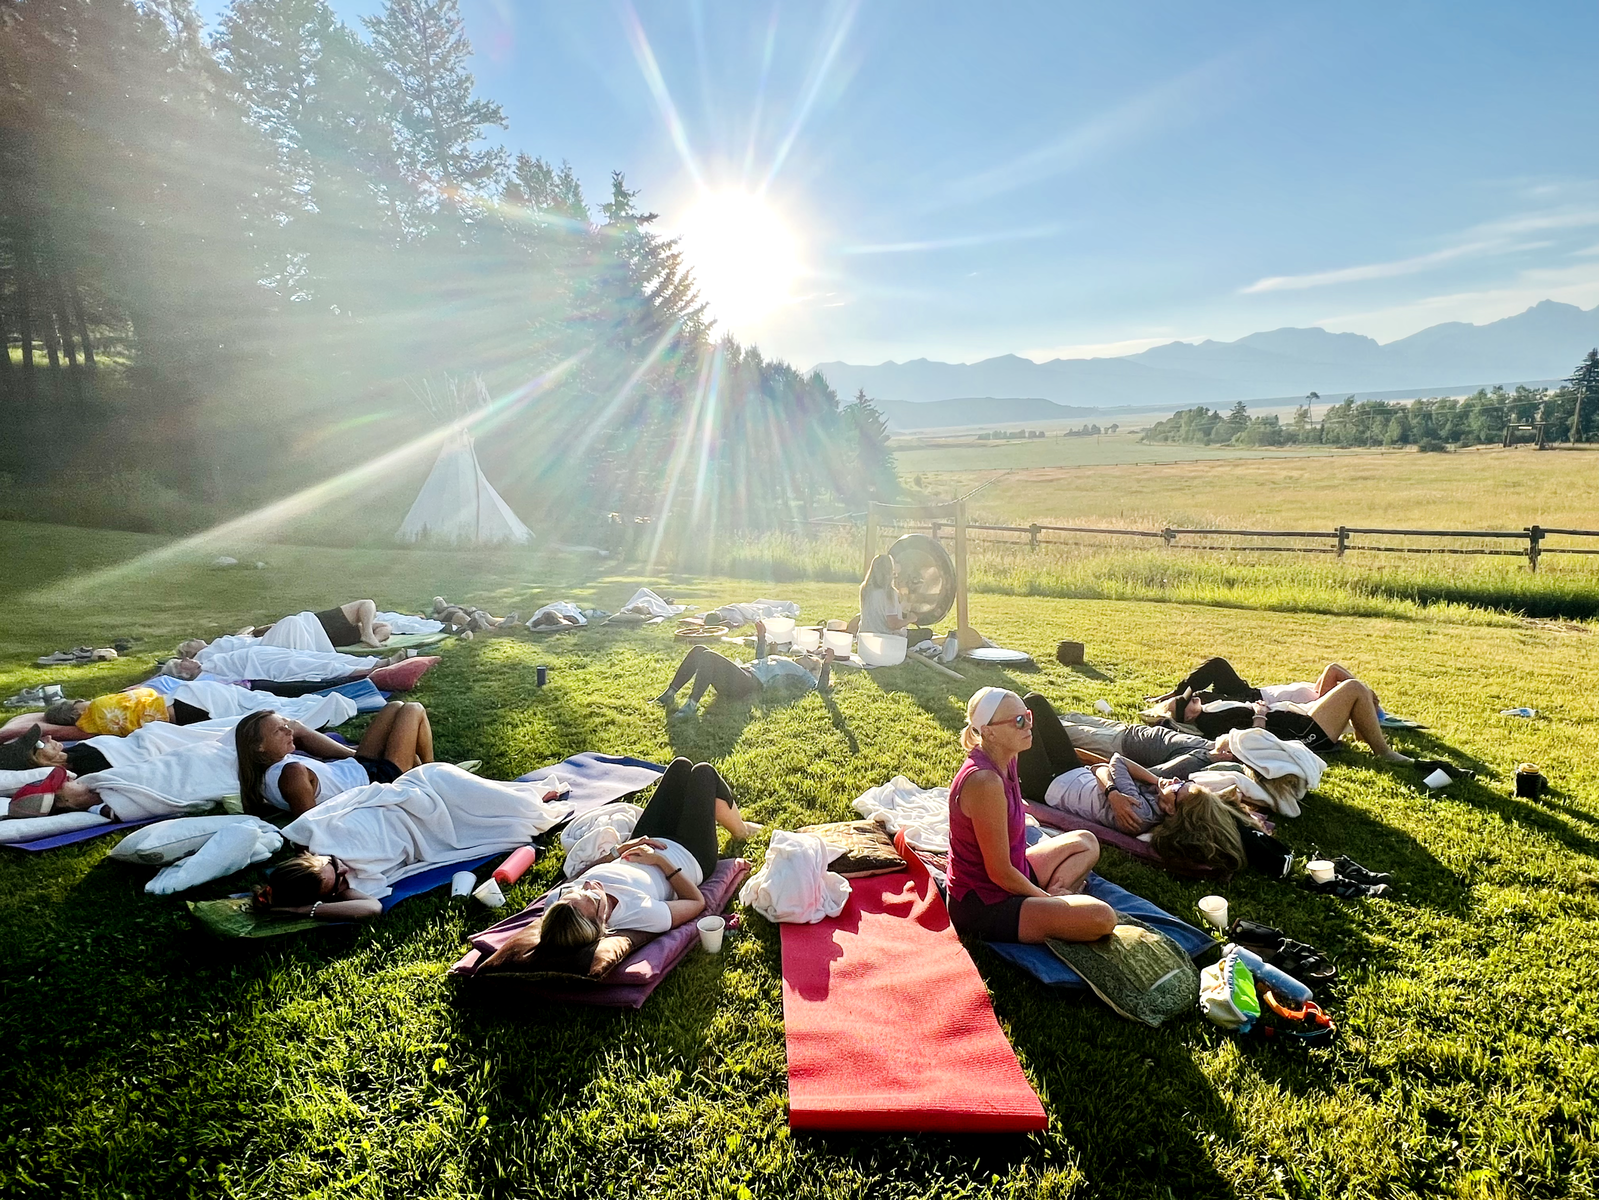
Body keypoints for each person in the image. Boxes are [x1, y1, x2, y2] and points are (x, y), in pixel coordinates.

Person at [504, 759, 757, 958]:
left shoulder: (559, 905)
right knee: (703, 774)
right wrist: (660, 862)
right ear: (601, 921)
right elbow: (696, 902)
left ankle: (727, 819)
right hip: (689, 855)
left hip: (644, 841)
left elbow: (582, 876)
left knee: (680, 768)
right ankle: (740, 830)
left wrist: (619, 850)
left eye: (579, 890)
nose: (591, 885)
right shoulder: (640, 913)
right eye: (593, 896)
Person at [252, 762, 569, 921]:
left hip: (424, 793)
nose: (345, 872)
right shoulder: (345, 886)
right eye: (336, 886)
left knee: (521, 808)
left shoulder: (312, 830)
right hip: (433, 833)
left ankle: (533, 794)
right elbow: (372, 907)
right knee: (516, 828)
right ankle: (527, 799)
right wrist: (300, 909)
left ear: (314, 859)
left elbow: (360, 797)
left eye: (334, 867)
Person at [945, 687, 1116, 945]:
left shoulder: (1008, 756)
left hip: (1016, 872)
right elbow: (999, 873)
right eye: (1018, 721)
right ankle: (1055, 901)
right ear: (989, 732)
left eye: (1027, 716)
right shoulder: (985, 782)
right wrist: (1047, 902)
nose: (1028, 726)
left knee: (1086, 841)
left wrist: (1050, 899)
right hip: (984, 904)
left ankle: (1057, 895)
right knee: (1103, 918)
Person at [236, 701, 434, 817]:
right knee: (413, 709)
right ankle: (434, 775)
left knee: (395, 706)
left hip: (357, 767)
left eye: (285, 725)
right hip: (376, 781)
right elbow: (310, 824)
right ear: (259, 746)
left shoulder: (265, 771)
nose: (289, 731)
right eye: (279, 730)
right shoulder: (291, 773)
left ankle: (424, 769)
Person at [1154, 679, 1416, 763]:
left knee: (1356, 691)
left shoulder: (1210, 708)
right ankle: (1384, 752)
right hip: (1303, 732)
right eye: (1186, 703)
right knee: (1354, 688)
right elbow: (1252, 741)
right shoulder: (1211, 724)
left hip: (1295, 717)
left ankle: (1367, 734)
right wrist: (1259, 714)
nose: (1192, 699)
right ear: (1185, 717)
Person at [1015, 692, 1226, 792]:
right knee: (1063, 716)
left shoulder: (1203, 759)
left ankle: (1001, 724)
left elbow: (1151, 774)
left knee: (1040, 720)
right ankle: (1006, 719)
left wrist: (1114, 789)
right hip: (1126, 730)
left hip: (1117, 744)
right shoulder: (1210, 747)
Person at [652, 622, 835, 720]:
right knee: (699, 650)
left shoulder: (802, 675)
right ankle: (670, 693)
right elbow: (759, 660)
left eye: (809, 656)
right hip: (740, 675)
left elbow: (820, 688)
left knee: (708, 656)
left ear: (812, 665)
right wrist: (761, 637)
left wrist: (826, 665)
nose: (805, 654)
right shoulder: (784, 661)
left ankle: (691, 706)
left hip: (747, 683)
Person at [1150, 657, 1362, 708]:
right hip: (1251, 691)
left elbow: (1333, 669)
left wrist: (1365, 694)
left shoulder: (1323, 702)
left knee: (1199, 700)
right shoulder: (1318, 690)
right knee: (1217, 665)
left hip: (1251, 702)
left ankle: (1172, 700)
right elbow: (1334, 673)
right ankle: (1174, 694)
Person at [855, 554, 910, 636]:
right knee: (926, 633)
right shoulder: (889, 593)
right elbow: (893, 624)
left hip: (865, 637)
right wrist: (911, 619)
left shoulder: (865, 589)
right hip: (887, 639)